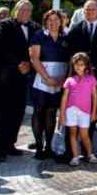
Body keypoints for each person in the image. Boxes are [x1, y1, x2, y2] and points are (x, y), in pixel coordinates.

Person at [0, 0, 40, 162]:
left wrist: (29, 65)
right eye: (22, 10)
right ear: (16, 11)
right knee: (5, 113)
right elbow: (0, 48)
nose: (25, 13)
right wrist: (18, 64)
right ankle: (0, 148)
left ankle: (11, 144)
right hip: (7, 76)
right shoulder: (5, 25)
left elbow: (38, 48)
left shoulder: (34, 27)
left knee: (18, 112)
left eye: (28, 10)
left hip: (25, 77)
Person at [66, 0, 97, 134]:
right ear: (83, 12)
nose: (90, 12)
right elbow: (71, 53)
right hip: (81, 76)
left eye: (93, 9)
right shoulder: (75, 29)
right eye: (87, 10)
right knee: (81, 108)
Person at [29, 10, 69, 160]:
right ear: (45, 22)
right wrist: (46, 77)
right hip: (41, 79)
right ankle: (39, 146)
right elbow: (34, 58)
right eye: (50, 20)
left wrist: (61, 79)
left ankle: (48, 147)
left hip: (59, 79)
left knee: (51, 112)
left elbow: (69, 60)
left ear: (61, 21)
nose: (53, 23)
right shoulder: (39, 36)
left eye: (56, 20)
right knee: (39, 111)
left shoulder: (65, 37)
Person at [59, 52, 97, 165]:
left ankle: (90, 154)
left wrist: (94, 111)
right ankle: (75, 156)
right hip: (70, 110)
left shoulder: (91, 79)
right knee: (72, 133)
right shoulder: (69, 80)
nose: (78, 67)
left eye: (81, 64)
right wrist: (62, 114)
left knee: (84, 135)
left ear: (86, 65)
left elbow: (95, 96)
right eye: (76, 64)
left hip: (85, 111)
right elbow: (64, 97)